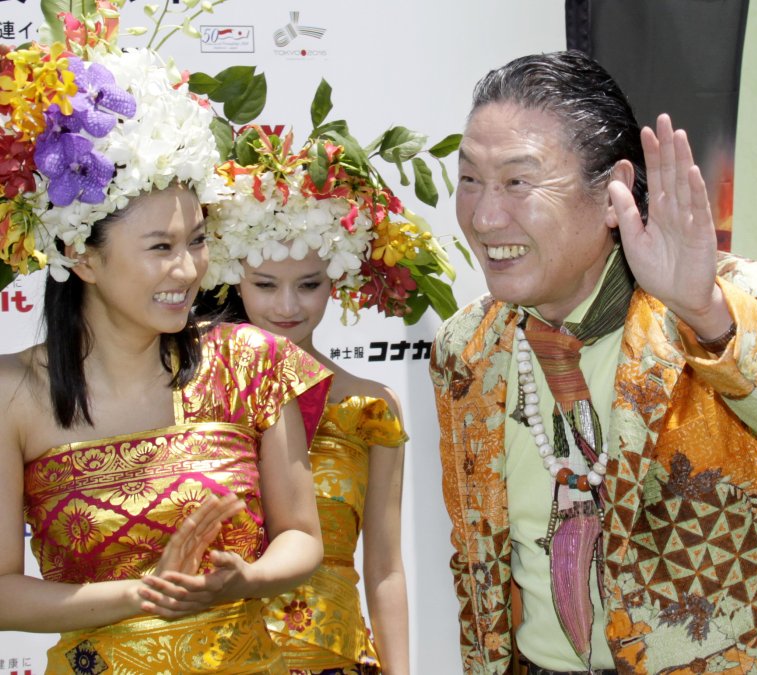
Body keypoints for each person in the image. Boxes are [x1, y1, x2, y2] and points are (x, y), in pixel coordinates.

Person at [430, 50, 757, 675]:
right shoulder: (467, 347)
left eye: (517, 182)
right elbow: (477, 561)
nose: (483, 215)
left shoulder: (722, 303)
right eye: (470, 179)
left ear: (612, 194)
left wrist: (705, 310)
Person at [0, 22, 329, 673]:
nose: (188, 270)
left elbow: (302, 537)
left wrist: (248, 577)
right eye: (160, 248)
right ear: (81, 257)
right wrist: (138, 595)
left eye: (198, 241)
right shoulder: (14, 394)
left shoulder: (249, 361)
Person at [201, 118, 459, 674]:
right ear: (232, 278)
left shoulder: (369, 408)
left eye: (309, 284)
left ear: (337, 281)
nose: (287, 305)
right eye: (265, 284)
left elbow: (387, 565)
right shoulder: (195, 392)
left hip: (338, 659)